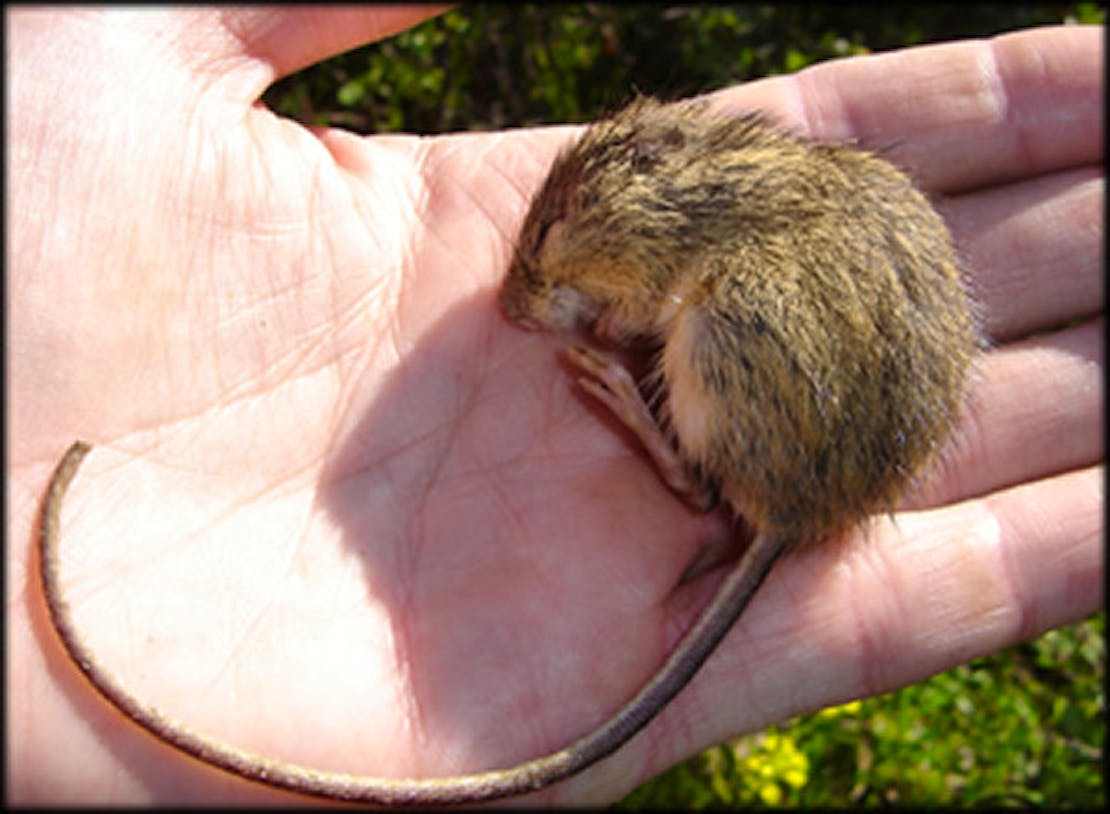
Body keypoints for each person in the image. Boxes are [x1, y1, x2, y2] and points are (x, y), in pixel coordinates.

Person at [8, 6, 1103, 806]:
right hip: (858, 394)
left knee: (729, 327)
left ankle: (689, 476)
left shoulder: (669, 247)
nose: (544, 294)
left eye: (560, 264)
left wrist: (645, 402)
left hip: (796, 432)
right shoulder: (722, 189)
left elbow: (643, 293)